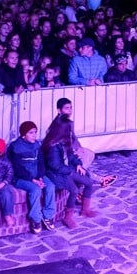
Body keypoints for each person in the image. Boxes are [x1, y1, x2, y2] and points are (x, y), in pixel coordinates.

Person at [43, 98, 96, 228]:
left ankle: (85, 210)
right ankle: (68, 217)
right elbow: (55, 166)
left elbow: (70, 154)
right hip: (57, 173)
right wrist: (71, 171)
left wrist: (78, 164)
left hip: (66, 169)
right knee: (73, 189)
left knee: (88, 181)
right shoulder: (53, 145)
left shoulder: (64, 139)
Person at [7, 122, 55, 233]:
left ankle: (47, 215)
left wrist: (40, 177)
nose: (34, 135)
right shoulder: (15, 147)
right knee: (35, 189)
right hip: (20, 178)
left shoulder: (37, 145)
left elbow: (40, 163)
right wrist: (33, 180)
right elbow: (17, 168)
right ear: (23, 135)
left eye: (35, 132)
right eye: (31, 133)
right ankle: (36, 219)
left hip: (36, 175)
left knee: (50, 186)